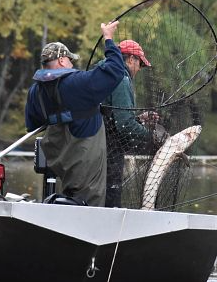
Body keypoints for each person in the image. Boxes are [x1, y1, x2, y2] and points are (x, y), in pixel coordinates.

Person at [24, 21, 125, 207]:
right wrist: (108, 39)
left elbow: (32, 124)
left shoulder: (34, 91)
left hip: (60, 162)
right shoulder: (78, 83)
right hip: (84, 163)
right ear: (62, 61)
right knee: (89, 205)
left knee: (68, 199)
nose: (72, 64)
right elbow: (116, 70)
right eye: (70, 60)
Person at [100, 39, 162, 208]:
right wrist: (152, 135)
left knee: (98, 193)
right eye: (140, 64)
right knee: (110, 197)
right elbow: (125, 126)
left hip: (95, 145)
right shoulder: (121, 78)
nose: (139, 69)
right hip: (108, 149)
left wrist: (139, 119)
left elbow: (112, 115)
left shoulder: (104, 71)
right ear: (131, 59)